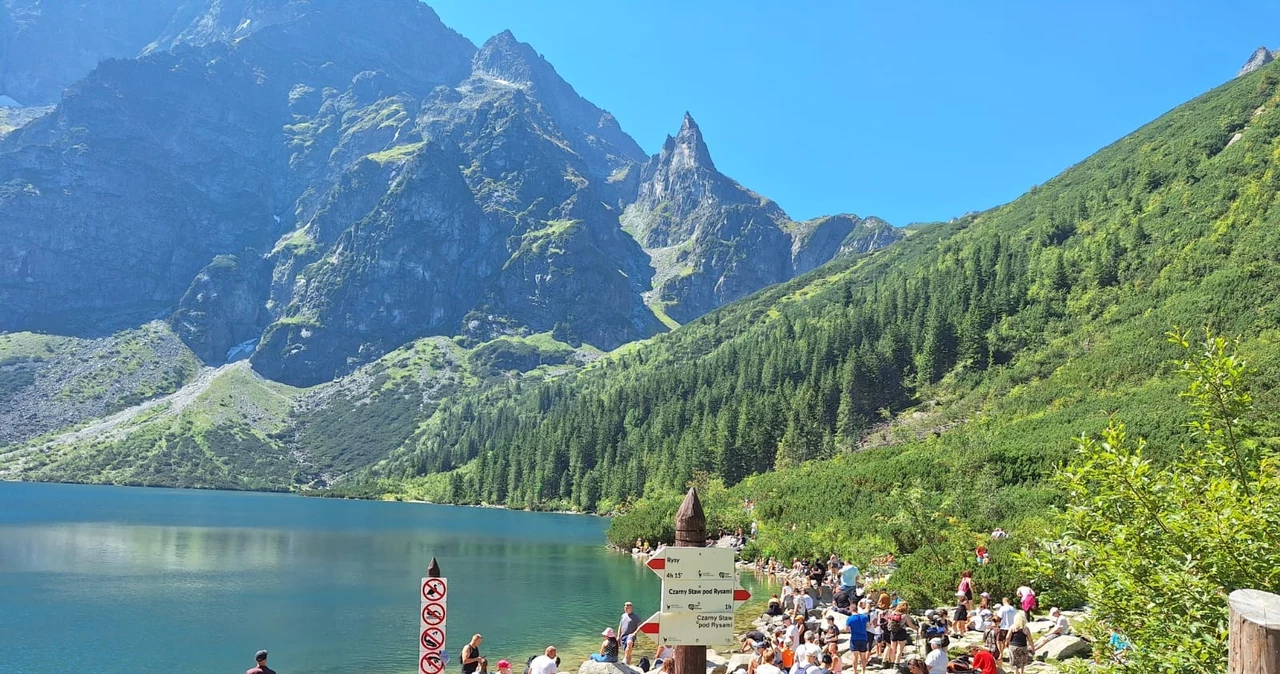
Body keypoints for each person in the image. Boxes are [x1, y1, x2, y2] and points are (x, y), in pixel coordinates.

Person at [845, 608, 870, 674]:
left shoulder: (850, 618)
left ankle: (855, 671)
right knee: (863, 656)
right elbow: (868, 626)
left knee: (854, 655)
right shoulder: (864, 617)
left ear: (851, 610)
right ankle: (863, 671)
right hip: (863, 638)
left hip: (854, 638)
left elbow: (846, 629)